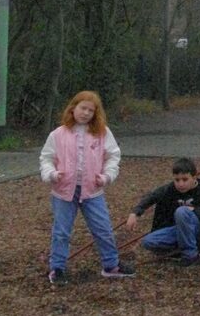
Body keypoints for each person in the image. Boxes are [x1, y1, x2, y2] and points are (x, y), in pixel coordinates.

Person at [41, 91, 133, 284]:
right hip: (63, 191)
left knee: (103, 228)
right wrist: (51, 174)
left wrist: (107, 176)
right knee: (61, 231)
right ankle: (57, 268)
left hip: (92, 190)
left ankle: (111, 264)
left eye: (91, 110)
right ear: (73, 108)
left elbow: (113, 156)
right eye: (83, 108)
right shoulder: (57, 134)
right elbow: (47, 158)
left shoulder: (102, 133)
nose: (86, 113)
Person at [126, 157, 200, 266]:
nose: (180, 184)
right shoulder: (171, 189)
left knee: (182, 212)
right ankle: (180, 249)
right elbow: (152, 196)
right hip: (178, 229)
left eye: (185, 179)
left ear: (194, 177)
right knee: (148, 241)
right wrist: (135, 213)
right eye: (177, 180)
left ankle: (190, 255)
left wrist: (194, 211)